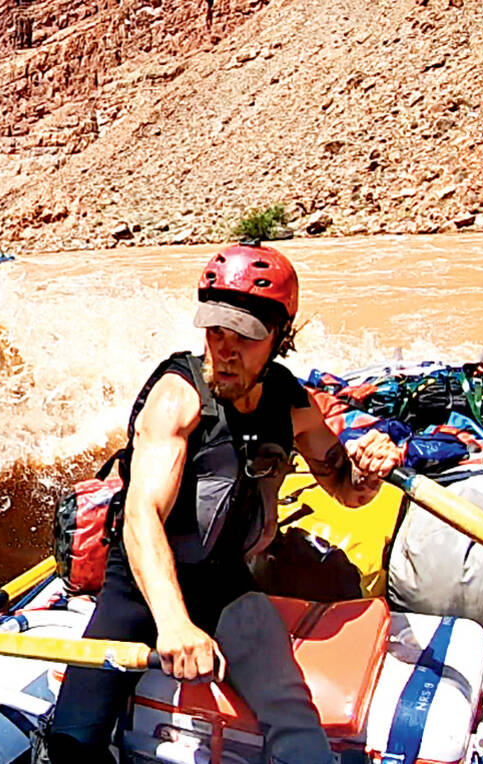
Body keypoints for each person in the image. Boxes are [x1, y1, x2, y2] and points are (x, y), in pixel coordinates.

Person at [46, 243, 404, 764]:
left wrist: (369, 470)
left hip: (227, 582)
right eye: (216, 331)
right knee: (73, 742)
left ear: (280, 337)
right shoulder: (177, 397)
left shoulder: (291, 402)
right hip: (140, 584)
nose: (226, 349)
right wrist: (174, 623)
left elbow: (348, 489)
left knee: (292, 715)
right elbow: (142, 514)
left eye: (246, 337)